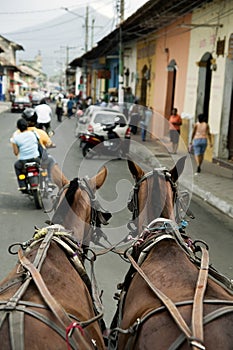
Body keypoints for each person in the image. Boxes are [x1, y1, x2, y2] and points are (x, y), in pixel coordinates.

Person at [10, 118, 40, 191]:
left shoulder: (15, 138)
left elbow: (16, 152)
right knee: (43, 167)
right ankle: (47, 180)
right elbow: (38, 144)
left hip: (23, 161)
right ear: (27, 125)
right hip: (35, 158)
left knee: (17, 166)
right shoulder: (34, 134)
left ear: (18, 127)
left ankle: (22, 185)